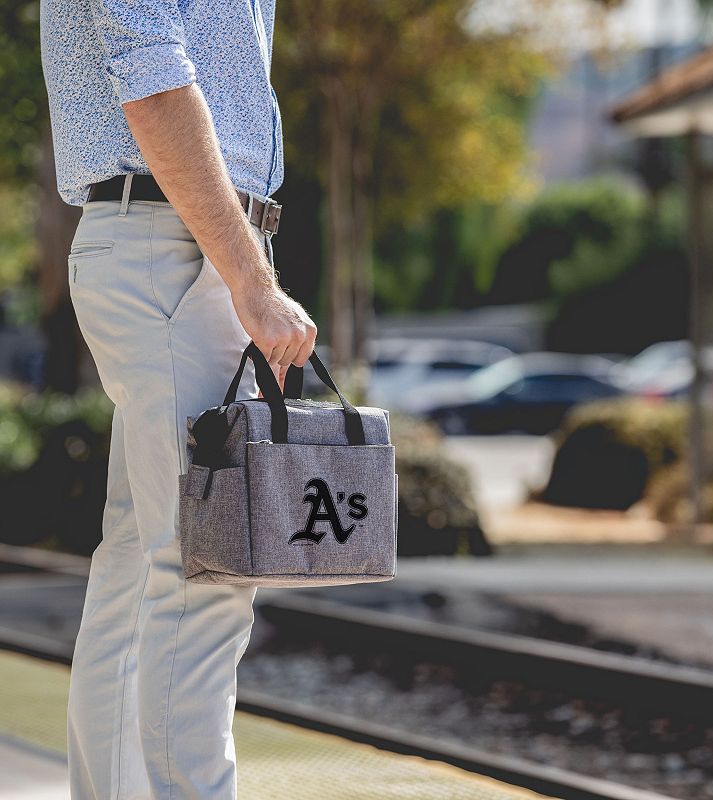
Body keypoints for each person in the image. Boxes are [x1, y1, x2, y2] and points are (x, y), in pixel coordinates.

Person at [39, 0, 317, 796]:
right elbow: (153, 78)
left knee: (141, 562)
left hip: (172, 240)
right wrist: (252, 283)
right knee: (208, 569)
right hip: (178, 250)